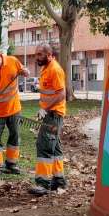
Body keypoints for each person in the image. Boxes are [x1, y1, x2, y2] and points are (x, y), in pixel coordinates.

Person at [29, 43, 67, 196]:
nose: (36, 57)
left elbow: (61, 94)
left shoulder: (55, 69)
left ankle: (43, 184)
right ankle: (58, 180)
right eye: (36, 54)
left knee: (44, 144)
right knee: (55, 147)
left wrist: (45, 109)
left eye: (39, 54)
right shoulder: (46, 68)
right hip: (50, 114)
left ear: (49, 55)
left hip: (53, 114)